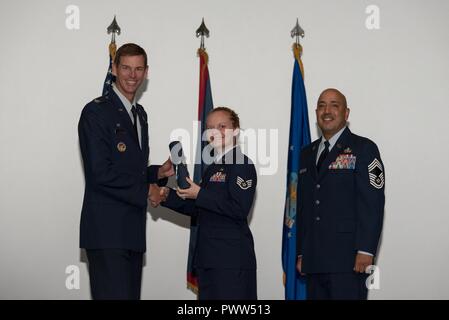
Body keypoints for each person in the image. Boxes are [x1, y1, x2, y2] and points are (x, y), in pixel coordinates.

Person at [78, 43, 174, 299]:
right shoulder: (96, 111)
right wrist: (146, 189)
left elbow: (130, 169)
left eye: (138, 69)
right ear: (113, 69)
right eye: (126, 68)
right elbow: (100, 173)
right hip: (107, 232)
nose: (132, 75)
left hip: (132, 232)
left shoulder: (139, 114)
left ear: (146, 72)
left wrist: (157, 173)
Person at [156, 107, 258, 300]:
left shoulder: (242, 164)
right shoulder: (212, 168)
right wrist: (165, 195)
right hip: (208, 259)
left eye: (222, 126)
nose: (215, 132)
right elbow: (199, 208)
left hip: (230, 262)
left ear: (235, 130)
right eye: (210, 127)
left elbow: (239, 208)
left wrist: (200, 193)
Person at [296, 88, 385, 300]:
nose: (327, 110)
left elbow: (372, 203)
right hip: (314, 260)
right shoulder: (306, 153)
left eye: (335, 105)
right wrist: (302, 252)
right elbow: (303, 206)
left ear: (346, 113)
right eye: (321, 105)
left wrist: (366, 250)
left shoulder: (364, 148)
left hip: (349, 261)